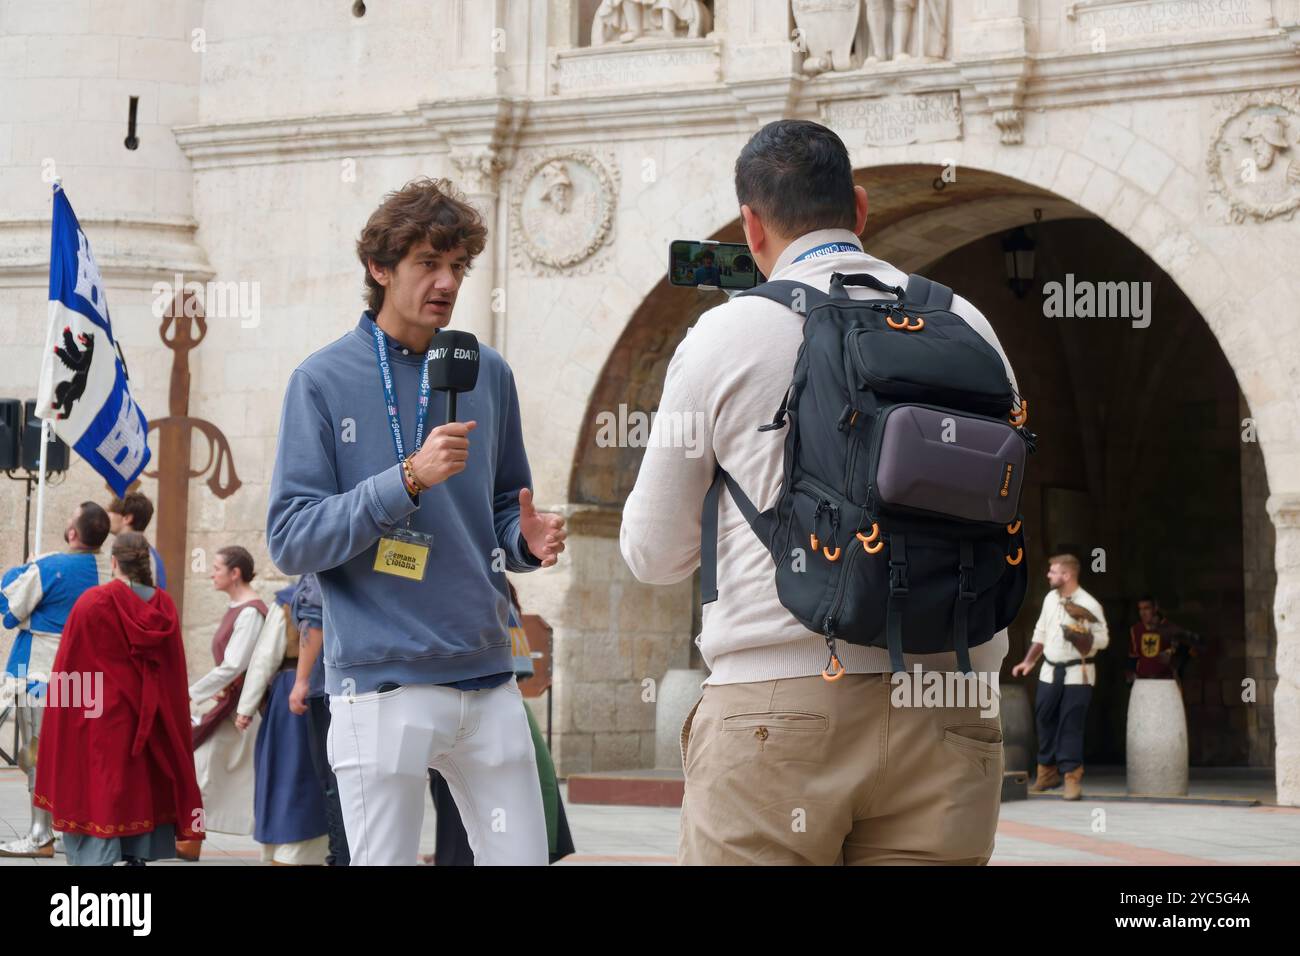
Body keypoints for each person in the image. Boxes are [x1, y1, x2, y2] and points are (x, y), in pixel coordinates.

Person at [621, 120, 1019, 865]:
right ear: (860, 210)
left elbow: (654, 551)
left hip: (780, 706)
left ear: (750, 223)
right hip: (951, 706)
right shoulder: (969, 324)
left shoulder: (724, 334)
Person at [266, 177, 567, 866]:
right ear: (380, 267)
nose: (447, 282)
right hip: (381, 684)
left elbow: (501, 512)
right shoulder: (321, 380)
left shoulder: (487, 372)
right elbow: (290, 537)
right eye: (429, 262)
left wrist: (525, 540)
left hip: (489, 677)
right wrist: (406, 479)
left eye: (458, 266)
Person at [32, 532, 203, 865]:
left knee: (100, 791)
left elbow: (70, 672)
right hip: (149, 722)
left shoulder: (92, 602)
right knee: (140, 789)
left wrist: (62, 727)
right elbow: (173, 675)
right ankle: (137, 855)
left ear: (113, 563)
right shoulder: (164, 606)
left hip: (99, 724)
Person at [426, 582, 575, 865]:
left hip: (483, 707)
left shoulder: (490, 592)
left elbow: (517, 664)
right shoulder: (493, 589)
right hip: (482, 706)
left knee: (476, 820)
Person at [0, 501, 112, 858]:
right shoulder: (110, 571)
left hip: (41, 675)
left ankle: (40, 833)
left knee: (35, 755)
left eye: (69, 519)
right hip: (91, 679)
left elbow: (10, 610)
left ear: (73, 533)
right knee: (75, 757)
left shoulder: (50, 566)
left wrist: (25, 568)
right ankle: (69, 828)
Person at [235, 581, 329, 865]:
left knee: (288, 773)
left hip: (294, 694)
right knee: (316, 777)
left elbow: (265, 656)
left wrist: (246, 707)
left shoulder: (290, 600)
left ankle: (286, 851)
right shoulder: (346, 588)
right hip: (334, 688)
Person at [184, 545, 267, 858]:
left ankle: (191, 836)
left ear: (235, 574)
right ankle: (190, 836)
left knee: (211, 767)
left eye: (217, 567)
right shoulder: (239, 608)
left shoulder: (250, 612)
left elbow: (234, 665)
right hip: (229, 703)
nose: (211, 572)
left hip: (240, 708)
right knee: (203, 766)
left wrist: (192, 693)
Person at [1010, 554, 1109, 800]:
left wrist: (1082, 636)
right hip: (1050, 669)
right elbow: (1041, 632)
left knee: (1070, 724)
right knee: (1044, 717)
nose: (1048, 575)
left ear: (1067, 575)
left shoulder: (1089, 603)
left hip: (1078, 672)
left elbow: (1103, 639)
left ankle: (1071, 776)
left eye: (1053, 571)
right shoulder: (1050, 599)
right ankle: (1047, 773)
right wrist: (1028, 661)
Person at [287, 572, 349, 865]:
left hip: (327, 686)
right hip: (364, 682)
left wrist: (300, 681)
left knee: (333, 778)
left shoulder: (318, 561)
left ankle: (340, 858)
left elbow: (314, 620)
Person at [1127, 596, 1198, 683]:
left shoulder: (1169, 628)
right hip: (1143, 681)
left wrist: (1173, 657)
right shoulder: (1136, 630)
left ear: (1155, 608)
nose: (1142, 613)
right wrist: (1131, 675)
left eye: (1146, 608)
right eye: (1140, 609)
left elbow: (1192, 649)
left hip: (1166, 680)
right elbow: (1133, 656)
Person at [106, 491, 167, 589]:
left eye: (111, 512)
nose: (107, 516)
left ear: (127, 518)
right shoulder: (147, 553)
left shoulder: (145, 555)